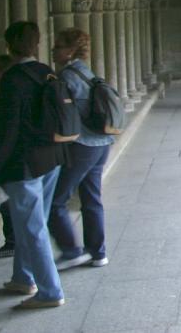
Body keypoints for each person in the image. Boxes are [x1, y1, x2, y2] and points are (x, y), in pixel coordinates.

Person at [0, 21, 66, 309]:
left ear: (8, 46)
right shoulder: (44, 71)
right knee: (32, 224)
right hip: (50, 158)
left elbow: (8, 130)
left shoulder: (12, 79)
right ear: (36, 43)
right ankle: (23, 277)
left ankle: (50, 291)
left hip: (24, 165)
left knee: (32, 228)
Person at [48, 28, 112, 270]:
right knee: (91, 199)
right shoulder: (85, 70)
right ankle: (98, 252)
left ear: (71, 49)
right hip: (102, 143)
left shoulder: (65, 76)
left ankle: (72, 250)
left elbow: (63, 115)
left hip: (83, 146)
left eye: (58, 45)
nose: (54, 50)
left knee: (56, 200)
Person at [0, 54, 16, 258]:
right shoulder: (4, 91)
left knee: (3, 201)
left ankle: (12, 241)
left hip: (8, 157)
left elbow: (6, 132)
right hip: (9, 156)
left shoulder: (10, 92)